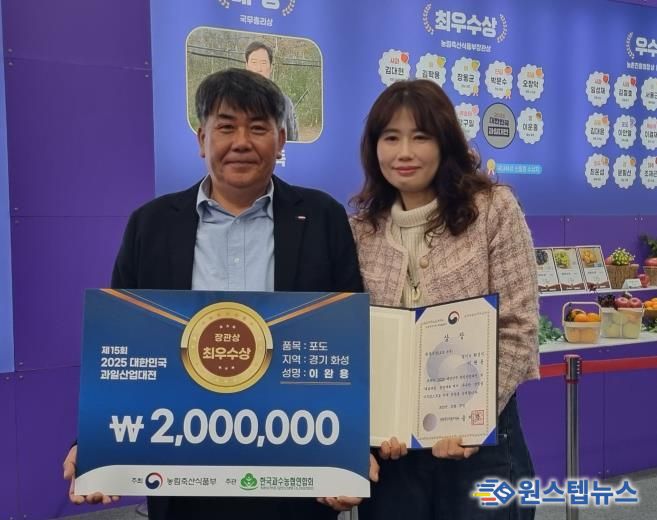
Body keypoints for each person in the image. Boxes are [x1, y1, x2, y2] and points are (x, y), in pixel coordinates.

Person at [63, 68, 366, 519]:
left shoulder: (322, 217)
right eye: (226, 127)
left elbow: (348, 343)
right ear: (201, 139)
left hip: (296, 470)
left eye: (258, 128)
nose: (241, 142)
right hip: (183, 471)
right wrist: (95, 442)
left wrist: (352, 450)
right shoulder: (151, 224)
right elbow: (125, 345)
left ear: (280, 141)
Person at [350, 79, 539, 520]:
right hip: (394, 454)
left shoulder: (493, 209)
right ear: (374, 148)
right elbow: (355, 340)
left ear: (445, 142)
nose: (404, 152)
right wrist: (370, 428)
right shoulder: (361, 230)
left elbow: (518, 326)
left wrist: (471, 416)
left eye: (420, 137)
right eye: (390, 138)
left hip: (479, 443)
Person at [245, 41, 299, 141]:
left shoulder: (285, 103)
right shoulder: (231, 101)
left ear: (270, 68)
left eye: (263, 63)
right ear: (247, 66)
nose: (258, 68)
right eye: (254, 62)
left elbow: (293, 142)